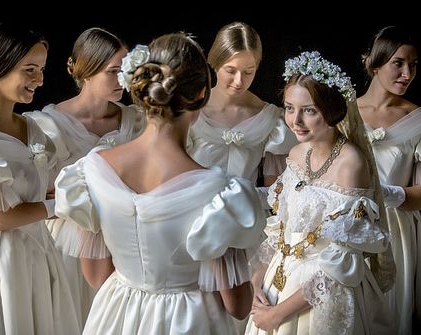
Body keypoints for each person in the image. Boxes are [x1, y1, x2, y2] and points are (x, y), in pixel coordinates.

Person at [54, 32, 266, 335]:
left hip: (118, 315)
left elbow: (96, 275)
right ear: (199, 95)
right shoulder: (221, 194)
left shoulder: (93, 169)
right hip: (191, 320)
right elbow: (238, 306)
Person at [245, 51, 394, 335]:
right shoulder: (297, 153)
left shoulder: (351, 164)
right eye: (289, 108)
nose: (295, 120)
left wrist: (277, 315)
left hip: (321, 292)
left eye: (309, 110)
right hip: (279, 280)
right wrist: (256, 285)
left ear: (332, 109)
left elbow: (342, 262)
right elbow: (281, 231)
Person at [0, 23, 80, 334]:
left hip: (39, 248)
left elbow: (36, 191)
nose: (40, 80)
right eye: (30, 69)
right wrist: (61, 206)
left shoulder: (29, 127)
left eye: (42, 69)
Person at [24, 27, 144, 327]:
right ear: (86, 71)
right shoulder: (47, 124)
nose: (122, 80)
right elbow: (39, 194)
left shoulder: (136, 120)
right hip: (69, 241)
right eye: (112, 71)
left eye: (125, 70)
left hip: (128, 239)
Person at [187, 21, 297, 203]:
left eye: (248, 72)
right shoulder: (190, 109)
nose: (239, 81)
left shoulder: (270, 119)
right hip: (194, 215)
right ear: (214, 62)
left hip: (247, 218)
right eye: (231, 70)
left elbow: (275, 192)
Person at [357, 25, 420, 334]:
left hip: (395, 230)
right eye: (399, 63)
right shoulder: (343, 113)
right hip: (348, 223)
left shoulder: (418, 119)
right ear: (375, 63)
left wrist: (387, 194)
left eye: (413, 65)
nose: (407, 73)